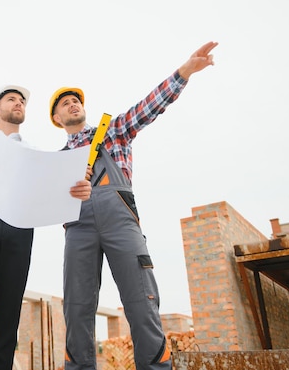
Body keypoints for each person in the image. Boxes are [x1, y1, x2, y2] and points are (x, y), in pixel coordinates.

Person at [49, 41, 218, 370]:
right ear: (56, 118)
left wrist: (184, 72)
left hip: (121, 223)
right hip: (78, 231)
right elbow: (44, 206)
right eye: (65, 104)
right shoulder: (55, 164)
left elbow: (148, 107)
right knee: (78, 308)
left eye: (75, 101)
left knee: (142, 302)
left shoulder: (112, 133)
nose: (72, 105)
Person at [0, 85, 92, 370]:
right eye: (12, 99)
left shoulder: (33, 152)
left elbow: (51, 190)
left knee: (8, 315)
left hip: (19, 229)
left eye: (22, 100)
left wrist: (76, 188)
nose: (19, 103)